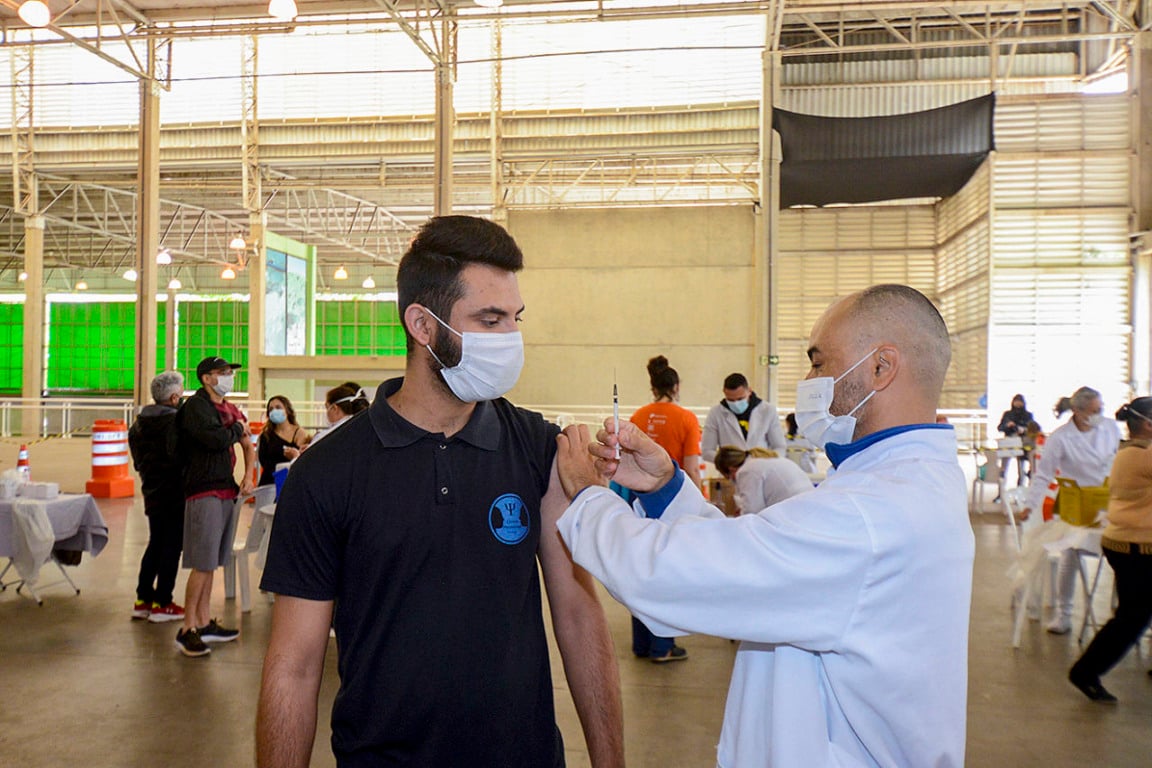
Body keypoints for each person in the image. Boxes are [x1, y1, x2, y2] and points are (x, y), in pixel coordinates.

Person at [553, 284, 974, 767]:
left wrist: (587, 497)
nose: (810, 377)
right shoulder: (904, 487)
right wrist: (665, 485)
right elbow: (750, 563)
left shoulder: (870, 515)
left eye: (819, 362)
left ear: (881, 367)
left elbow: (674, 575)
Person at [256, 215, 623, 767]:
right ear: (422, 326)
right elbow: (295, 664)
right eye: (489, 320)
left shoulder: (539, 451)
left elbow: (577, 615)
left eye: (514, 319)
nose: (510, 339)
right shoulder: (327, 472)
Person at [1068, 397, 1152, 703]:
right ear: (1147, 424)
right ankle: (1086, 671)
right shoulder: (1142, 455)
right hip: (1135, 547)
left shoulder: (1131, 451)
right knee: (1133, 617)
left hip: (1131, 543)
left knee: (1136, 613)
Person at [173, 356, 255, 658]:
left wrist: (248, 474)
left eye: (230, 372)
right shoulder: (196, 408)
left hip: (225, 490)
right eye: (223, 373)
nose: (229, 377)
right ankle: (187, 628)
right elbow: (214, 439)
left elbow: (248, 443)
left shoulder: (230, 409)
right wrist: (236, 428)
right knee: (202, 562)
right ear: (207, 378)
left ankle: (204, 621)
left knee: (213, 563)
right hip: (203, 489)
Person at [1021, 387, 1120, 634]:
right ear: (1077, 411)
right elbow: (1043, 475)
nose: (1100, 414)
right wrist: (1029, 505)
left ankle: (1121, 610)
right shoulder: (1061, 438)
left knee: (1123, 553)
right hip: (1074, 504)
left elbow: (1117, 460)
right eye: (1094, 410)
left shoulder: (1110, 428)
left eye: (1101, 408)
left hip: (1108, 501)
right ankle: (1063, 613)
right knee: (1070, 553)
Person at [627, 354, 701, 662]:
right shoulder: (686, 419)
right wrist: (699, 505)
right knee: (667, 573)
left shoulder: (638, 416)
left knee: (640, 571)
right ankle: (663, 646)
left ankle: (642, 644)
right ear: (676, 386)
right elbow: (692, 468)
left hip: (637, 502)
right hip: (671, 502)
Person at [127, 370, 186, 624]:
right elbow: (181, 457)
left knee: (156, 542)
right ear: (174, 397)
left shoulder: (138, 425)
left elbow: (138, 463)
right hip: (175, 491)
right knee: (172, 545)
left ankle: (143, 600)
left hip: (151, 491)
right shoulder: (176, 424)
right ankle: (163, 601)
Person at [701, 372, 787, 460]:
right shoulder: (716, 413)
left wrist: (767, 462)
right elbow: (707, 451)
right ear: (724, 392)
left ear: (749, 391)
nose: (736, 403)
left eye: (740, 399)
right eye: (730, 400)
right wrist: (729, 462)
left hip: (761, 467)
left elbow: (779, 447)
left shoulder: (768, 410)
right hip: (730, 470)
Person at [712, 446, 813, 513]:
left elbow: (752, 512)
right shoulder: (767, 460)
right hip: (807, 509)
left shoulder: (747, 470)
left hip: (794, 514)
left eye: (729, 477)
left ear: (731, 469)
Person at [257, 395, 310, 485]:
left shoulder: (299, 433)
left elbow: (303, 460)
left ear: (287, 410)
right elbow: (263, 462)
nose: (274, 411)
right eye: (271, 409)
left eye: (278, 407)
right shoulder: (266, 436)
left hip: (290, 481)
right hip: (269, 482)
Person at [306, 382, 369, 447]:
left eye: (327, 407)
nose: (327, 412)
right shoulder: (361, 430)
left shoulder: (324, 437)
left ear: (335, 408)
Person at [998, 394, 1037, 485]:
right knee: (1004, 465)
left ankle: (1021, 483)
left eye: (1020, 402)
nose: (1018, 404)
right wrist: (1008, 426)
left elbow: (1032, 429)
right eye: (1016, 401)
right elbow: (1000, 428)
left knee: (1021, 465)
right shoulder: (1007, 414)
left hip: (1023, 443)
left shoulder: (1028, 415)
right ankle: (1002, 483)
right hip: (1009, 442)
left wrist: (1023, 429)